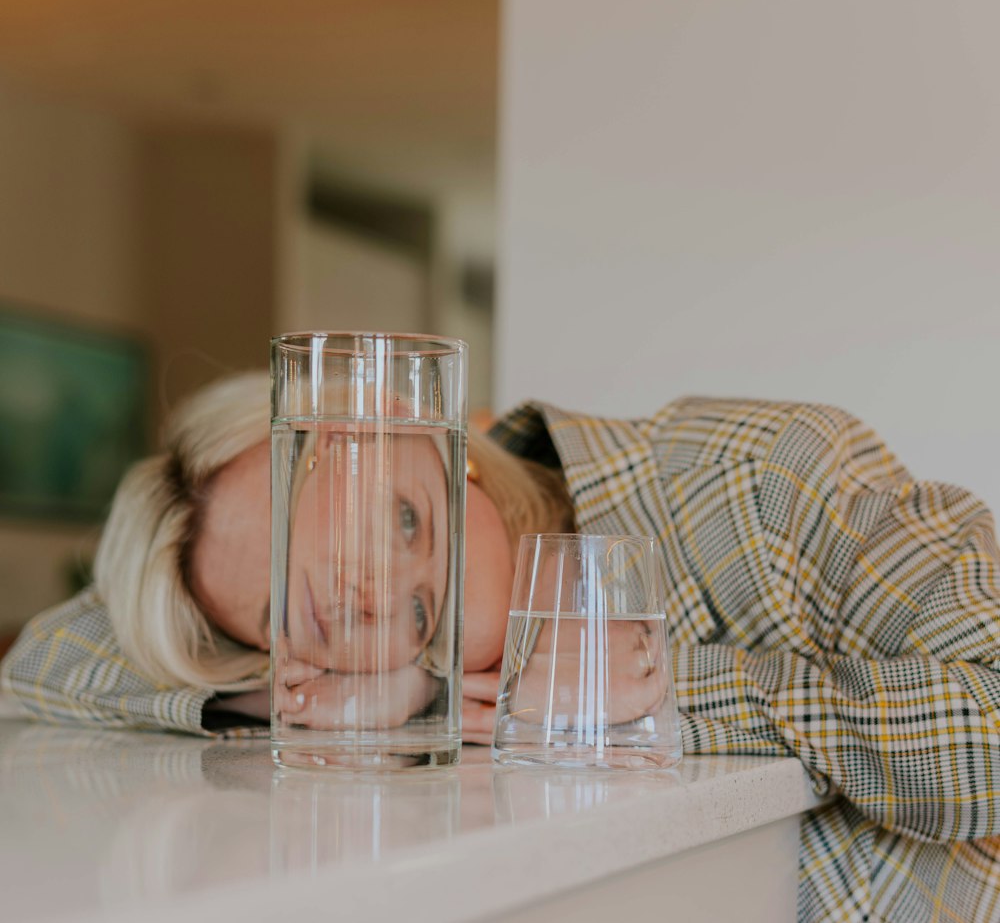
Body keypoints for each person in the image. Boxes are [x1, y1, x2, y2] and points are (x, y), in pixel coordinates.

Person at [2, 371, 998, 922]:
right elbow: (43, 666)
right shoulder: (385, 703)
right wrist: (287, 700)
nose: (376, 586)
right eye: (323, 614)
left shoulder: (753, 477)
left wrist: (659, 688)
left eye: (390, 520)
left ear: (410, 421)